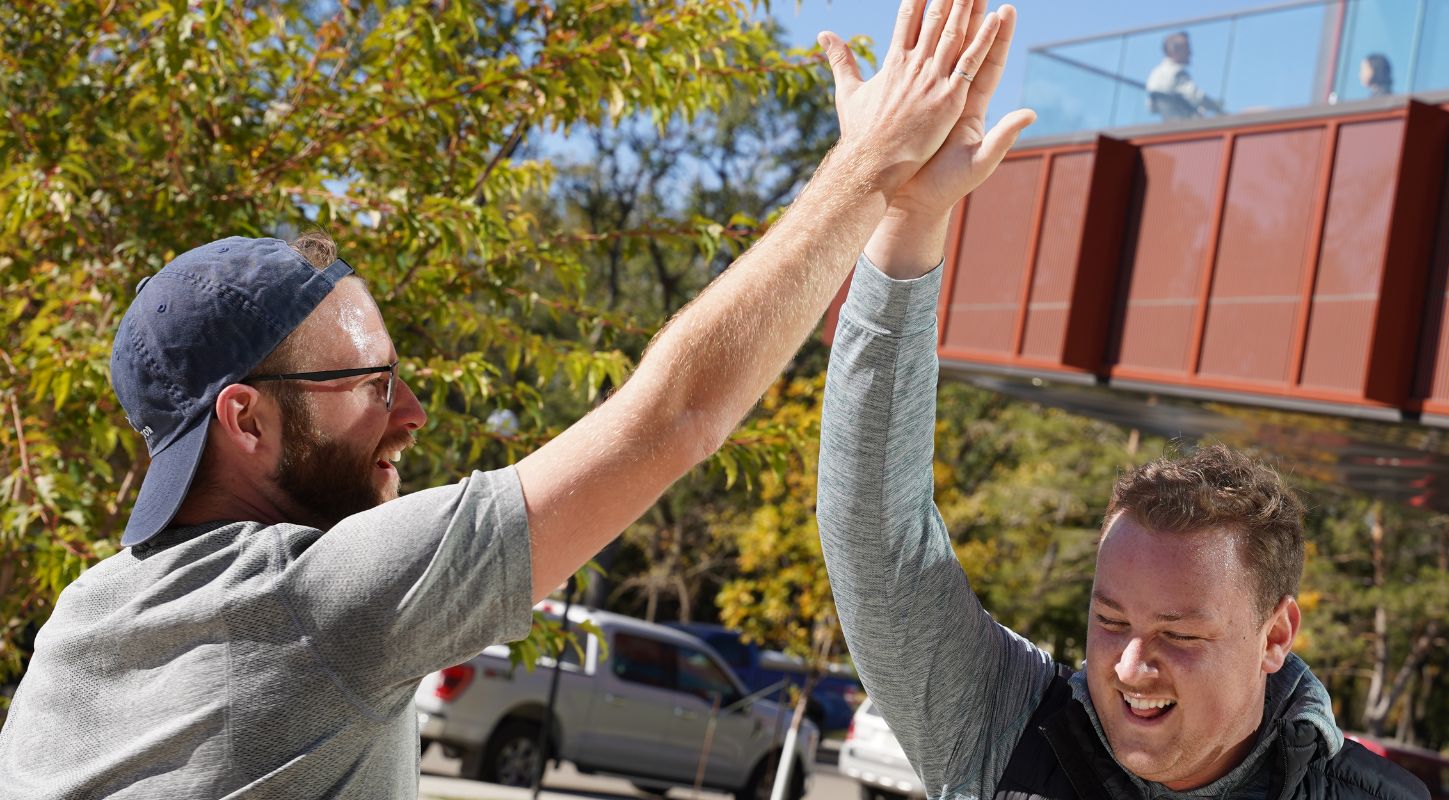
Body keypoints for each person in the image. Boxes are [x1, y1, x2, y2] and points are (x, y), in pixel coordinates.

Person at [0, 1, 1034, 796]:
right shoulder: (314, 598)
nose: (410, 414)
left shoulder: (78, 625)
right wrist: (870, 169)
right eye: (368, 385)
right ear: (247, 418)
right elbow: (675, 415)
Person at [817, 197, 1427, 797]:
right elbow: (877, 542)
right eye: (1110, 621)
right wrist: (910, 218)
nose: (1130, 667)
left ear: (1274, 637)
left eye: (1180, 634)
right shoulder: (1010, 729)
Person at [1146, 31, 1226, 121]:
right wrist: (1217, 107)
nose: (1190, 52)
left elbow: (1151, 107)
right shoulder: (1176, 72)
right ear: (1174, 51)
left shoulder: (1154, 73)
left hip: (1167, 125)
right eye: (1186, 48)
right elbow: (1196, 96)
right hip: (1186, 125)